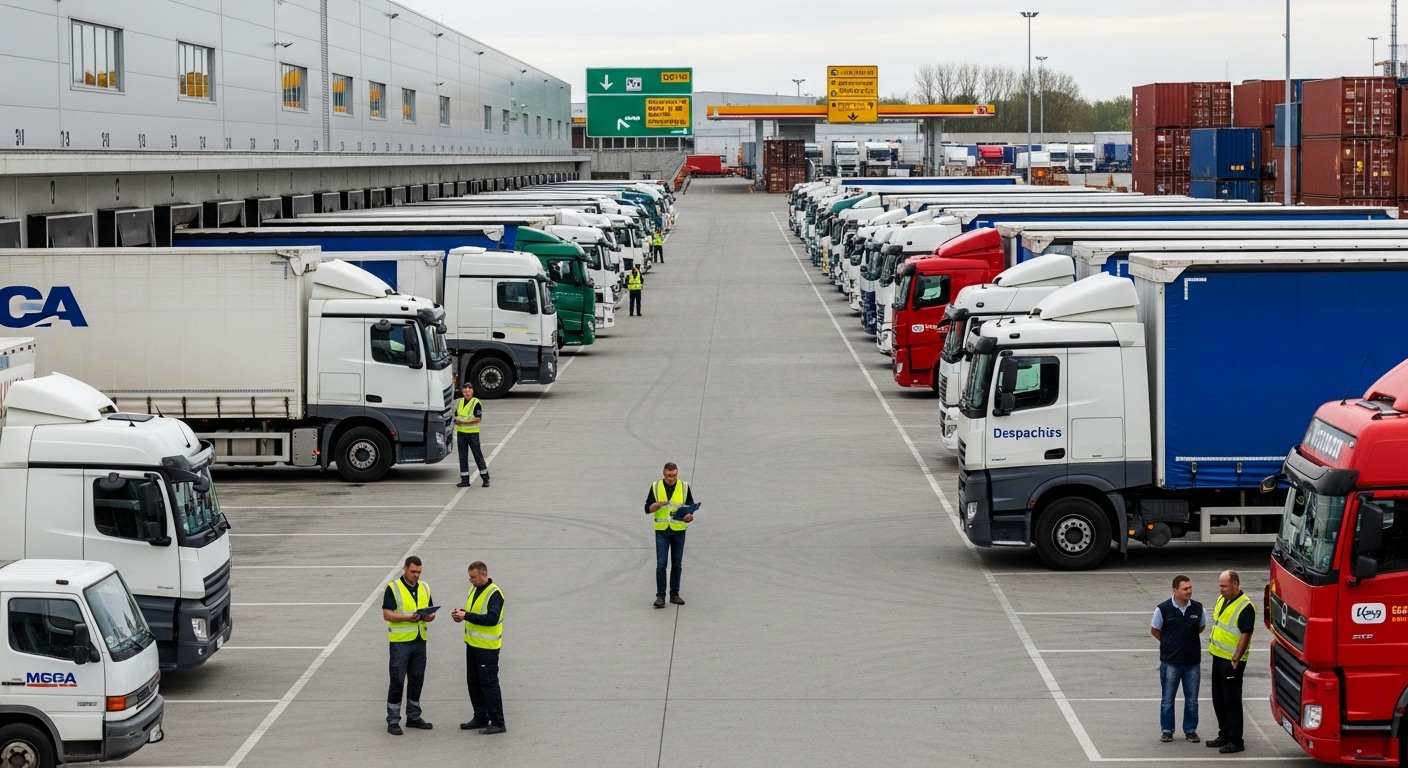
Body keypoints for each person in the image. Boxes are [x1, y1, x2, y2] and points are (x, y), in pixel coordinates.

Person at [383, 556, 436, 735]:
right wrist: (408, 617)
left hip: (419, 641)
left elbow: (430, 611)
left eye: (419, 572)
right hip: (400, 642)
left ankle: (413, 716)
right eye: (413, 571)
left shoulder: (425, 587)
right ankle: (393, 720)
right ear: (405, 569)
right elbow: (387, 614)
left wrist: (430, 616)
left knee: (417, 679)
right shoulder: (393, 587)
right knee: (397, 680)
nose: (416, 575)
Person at [452, 561, 506, 735]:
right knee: (473, 683)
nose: (471, 580)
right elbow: (474, 612)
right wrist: (461, 614)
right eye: (470, 577)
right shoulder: (474, 589)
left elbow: (491, 619)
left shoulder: (494, 594)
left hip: (487, 648)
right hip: (473, 645)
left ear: (484, 574)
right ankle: (480, 716)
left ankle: (498, 721)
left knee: (489, 685)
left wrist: (466, 615)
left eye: (473, 577)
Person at [1151, 574, 1205, 744]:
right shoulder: (1163, 609)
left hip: (1192, 663)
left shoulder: (1198, 608)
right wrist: (1170, 643)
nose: (1189, 591)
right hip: (1170, 663)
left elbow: (1201, 627)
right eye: (1185, 588)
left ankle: (1190, 730)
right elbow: (1155, 630)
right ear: (1175, 590)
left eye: (1190, 588)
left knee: (1192, 700)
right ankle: (1167, 731)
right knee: (1168, 699)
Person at [1207, 569, 1255, 754]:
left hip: (1232, 661)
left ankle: (1236, 740)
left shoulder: (1245, 606)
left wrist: (1236, 657)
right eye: (1220, 585)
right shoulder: (1222, 599)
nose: (1221, 589)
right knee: (1218, 699)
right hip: (1217, 656)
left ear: (1235, 584)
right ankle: (1224, 734)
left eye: (1224, 586)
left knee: (1232, 701)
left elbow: (1245, 634)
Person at [645, 462, 695, 608]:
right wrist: (657, 505)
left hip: (679, 530)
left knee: (677, 564)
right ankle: (660, 596)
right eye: (669, 476)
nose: (671, 478)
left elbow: (690, 507)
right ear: (664, 473)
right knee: (661, 564)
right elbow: (647, 508)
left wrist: (689, 516)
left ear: (677, 473)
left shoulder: (684, 486)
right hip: (662, 531)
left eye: (674, 475)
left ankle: (674, 594)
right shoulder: (655, 486)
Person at [455, 383, 489, 488]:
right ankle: (465, 479)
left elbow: (478, 419)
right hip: (461, 433)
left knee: (477, 455)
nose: (467, 393)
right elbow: (456, 415)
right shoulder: (460, 402)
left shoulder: (476, 402)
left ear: (472, 391)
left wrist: (463, 422)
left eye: (469, 390)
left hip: (472, 434)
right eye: (465, 391)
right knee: (462, 457)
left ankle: (485, 478)